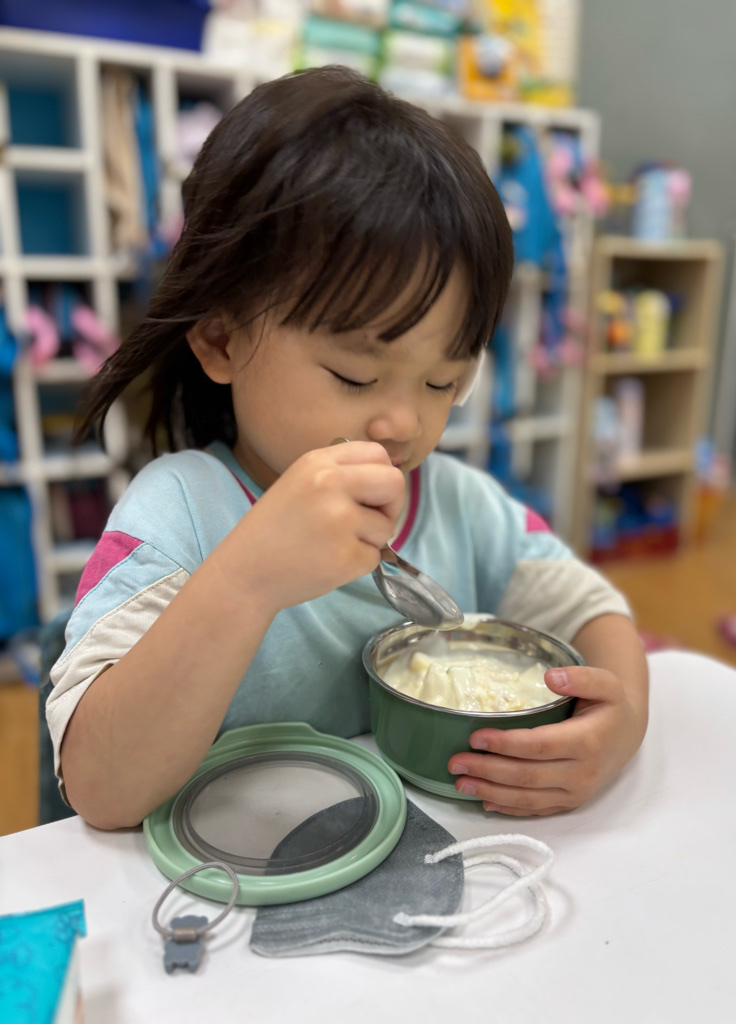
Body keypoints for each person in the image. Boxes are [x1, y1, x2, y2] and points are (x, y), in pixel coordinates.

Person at [47, 67, 648, 831]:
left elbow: (593, 611)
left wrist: (621, 721)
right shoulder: (179, 513)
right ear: (221, 338)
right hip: (229, 881)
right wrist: (246, 580)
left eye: (441, 382)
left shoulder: (461, 506)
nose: (402, 422)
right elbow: (99, 786)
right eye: (354, 375)